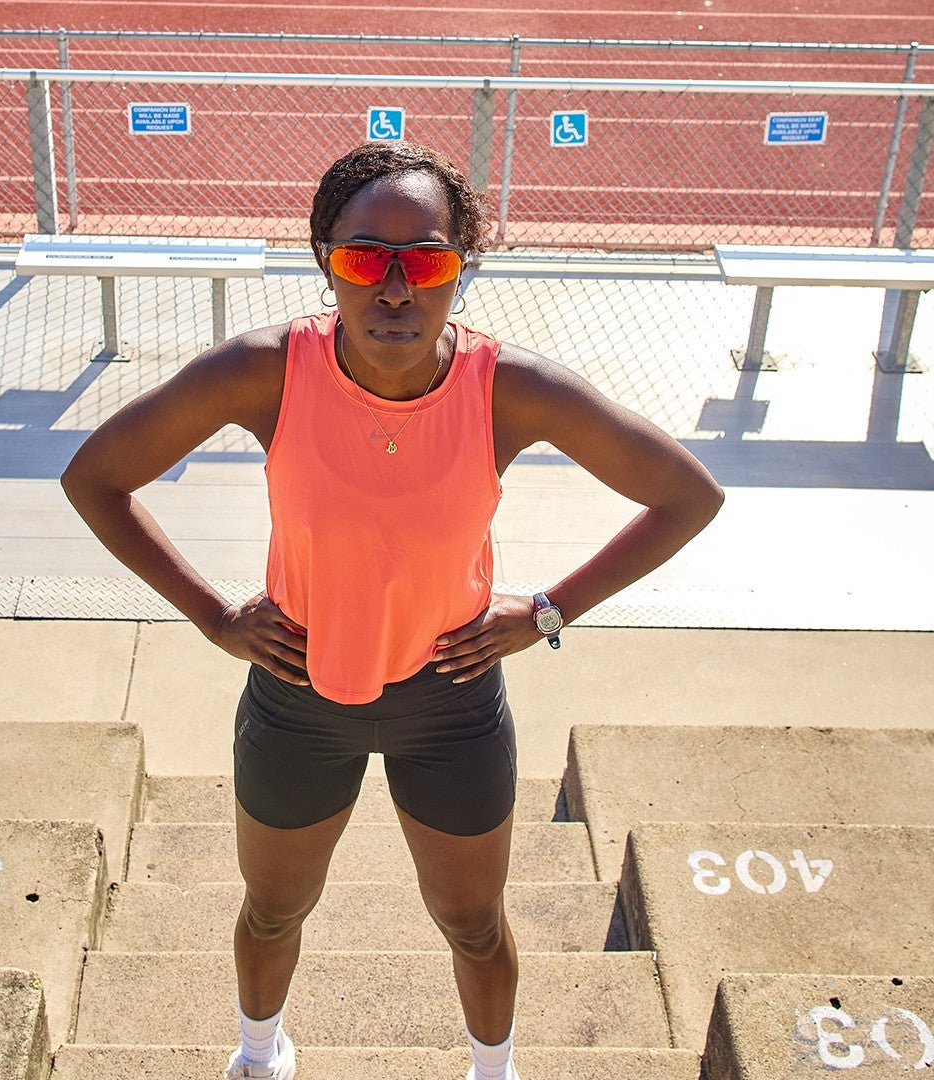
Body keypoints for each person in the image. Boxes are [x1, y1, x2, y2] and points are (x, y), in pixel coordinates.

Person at [61, 141, 724, 1080]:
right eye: (366, 258)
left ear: (463, 267)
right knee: (273, 912)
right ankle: (260, 1056)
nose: (397, 289)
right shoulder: (266, 373)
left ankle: (492, 1070)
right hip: (299, 699)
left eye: (429, 262)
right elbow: (95, 478)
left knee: (474, 923)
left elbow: (687, 496)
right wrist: (214, 618)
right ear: (326, 262)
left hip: (450, 705)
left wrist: (547, 611)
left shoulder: (508, 389)